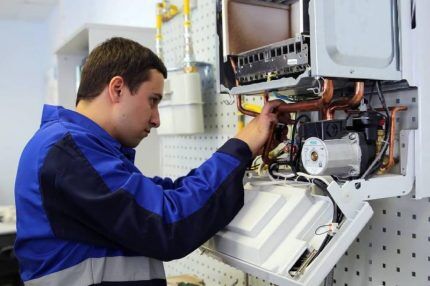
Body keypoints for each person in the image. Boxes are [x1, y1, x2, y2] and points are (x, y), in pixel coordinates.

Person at [14, 37, 281, 286]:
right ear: (117, 88)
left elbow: (165, 195)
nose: (156, 119)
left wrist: (239, 155)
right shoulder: (68, 151)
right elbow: (166, 224)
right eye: (152, 101)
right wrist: (240, 147)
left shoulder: (77, 147)